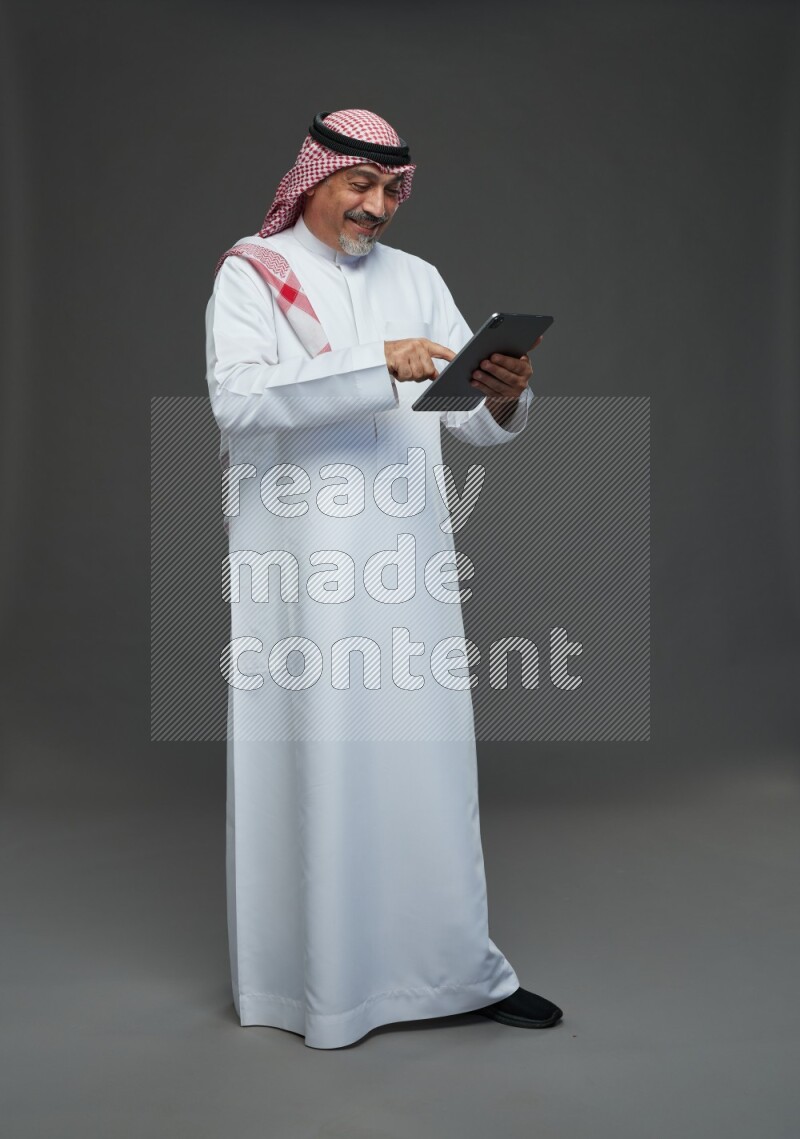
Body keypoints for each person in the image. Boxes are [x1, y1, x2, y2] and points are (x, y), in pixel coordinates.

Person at [204, 108, 562, 1049]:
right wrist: (374, 363)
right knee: (323, 754)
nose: (376, 206)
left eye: (390, 190)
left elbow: (464, 418)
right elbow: (236, 399)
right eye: (358, 184)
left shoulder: (418, 278)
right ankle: (325, 989)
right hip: (304, 569)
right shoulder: (254, 271)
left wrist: (505, 396)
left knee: (427, 764)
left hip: (408, 561)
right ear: (313, 178)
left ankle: (455, 972)